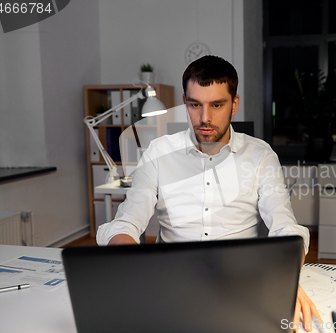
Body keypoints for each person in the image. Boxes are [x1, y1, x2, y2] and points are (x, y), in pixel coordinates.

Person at [96, 55, 321, 331]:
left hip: (243, 286)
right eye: (195, 105)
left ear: (234, 104)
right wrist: (136, 267)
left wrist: (286, 278)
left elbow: (286, 227)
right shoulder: (158, 152)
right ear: (184, 102)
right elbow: (126, 223)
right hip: (168, 286)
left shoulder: (261, 156)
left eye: (217, 105)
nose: (205, 118)